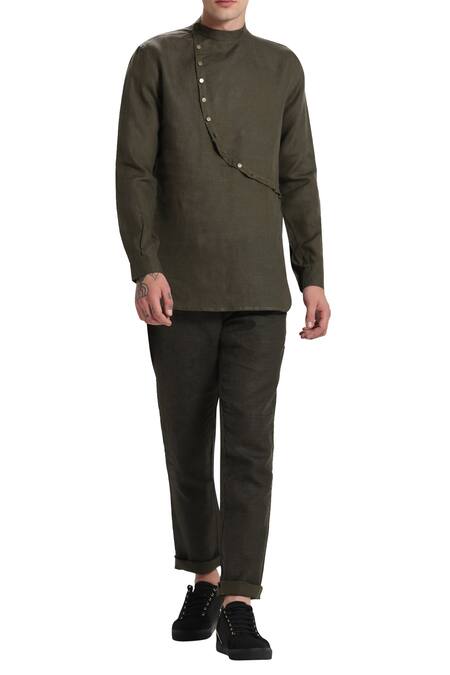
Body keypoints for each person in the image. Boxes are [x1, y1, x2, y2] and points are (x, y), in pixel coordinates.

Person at [115, 0, 331, 661]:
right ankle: (204, 577)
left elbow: (298, 173)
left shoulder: (282, 66)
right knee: (185, 443)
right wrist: (146, 265)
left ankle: (239, 598)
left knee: (249, 451)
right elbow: (134, 169)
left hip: (259, 292)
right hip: (178, 288)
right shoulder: (155, 59)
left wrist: (312, 275)